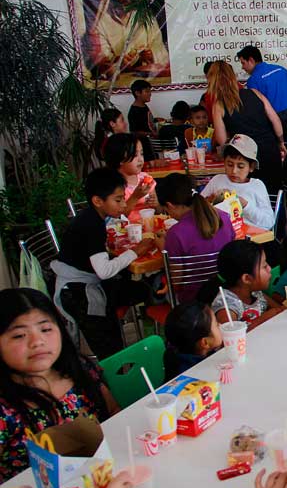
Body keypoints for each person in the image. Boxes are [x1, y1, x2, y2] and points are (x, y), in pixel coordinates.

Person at [0, 288, 117, 481]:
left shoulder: (79, 370)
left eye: (46, 329)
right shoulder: (5, 409)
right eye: (19, 335)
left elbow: (113, 411)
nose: (37, 341)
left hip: (100, 482)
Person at [53, 169, 155, 360]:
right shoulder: (92, 226)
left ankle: (144, 340)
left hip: (83, 279)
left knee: (142, 288)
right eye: (118, 200)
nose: (123, 205)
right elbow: (104, 271)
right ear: (98, 201)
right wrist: (136, 251)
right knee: (110, 350)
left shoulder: (92, 216)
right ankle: (114, 373)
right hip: (78, 293)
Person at [208, 60, 286, 194]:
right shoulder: (255, 93)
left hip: (245, 158)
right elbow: (276, 121)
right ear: (233, 76)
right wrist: (281, 142)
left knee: (250, 197)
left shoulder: (219, 105)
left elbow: (222, 140)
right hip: (269, 150)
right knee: (274, 194)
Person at [156, 173, 235, 302]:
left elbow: (175, 284)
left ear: (170, 205)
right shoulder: (224, 217)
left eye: (166, 210)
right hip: (226, 294)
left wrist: (163, 248)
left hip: (194, 302)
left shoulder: (175, 233)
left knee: (156, 286)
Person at [200, 134, 276, 230]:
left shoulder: (257, 186)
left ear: (251, 167)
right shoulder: (217, 180)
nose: (234, 171)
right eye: (230, 164)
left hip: (248, 239)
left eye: (240, 166)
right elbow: (197, 207)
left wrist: (245, 205)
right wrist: (210, 200)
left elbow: (269, 222)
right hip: (220, 234)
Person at [205, 240, 280, 330]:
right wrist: (263, 319)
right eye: (264, 266)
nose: (269, 268)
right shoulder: (227, 307)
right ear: (247, 278)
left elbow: (278, 310)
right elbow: (231, 336)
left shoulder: (255, 293)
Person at [237, 45, 287, 143]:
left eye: (243, 63)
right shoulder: (279, 69)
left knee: (280, 151)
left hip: (273, 121)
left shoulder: (253, 80)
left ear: (251, 60)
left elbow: (256, 105)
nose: (242, 67)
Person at [162, 301, 222, 380]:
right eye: (217, 325)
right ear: (205, 342)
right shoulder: (193, 375)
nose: (221, 325)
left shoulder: (178, 353)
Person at [104, 133, 155, 223]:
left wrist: (156, 204)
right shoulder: (112, 186)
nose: (140, 159)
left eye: (142, 153)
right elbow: (117, 218)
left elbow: (158, 211)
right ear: (120, 159)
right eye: (135, 155)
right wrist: (135, 197)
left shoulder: (146, 178)